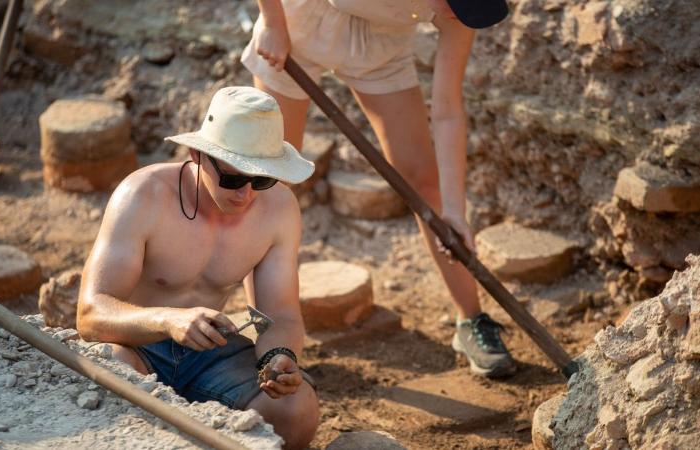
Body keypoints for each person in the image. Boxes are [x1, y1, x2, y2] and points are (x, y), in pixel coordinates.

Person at [242, 0, 516, 377]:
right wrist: (273, 21)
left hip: (380, 46)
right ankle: (267, 340)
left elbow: (449, 109)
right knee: (270, 182)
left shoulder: (464, 9)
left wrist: (453, 208)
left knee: (422, 180)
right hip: (299, 24)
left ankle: (472, 319)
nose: (460, 16)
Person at [76, 86, 319, 449]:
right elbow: (91, 314)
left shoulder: (279, 209)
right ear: (198, 155)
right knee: (111, 374)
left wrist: (277, 357)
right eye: (234, 179)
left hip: (210, 351)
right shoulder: (143, 195)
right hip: (137, 344)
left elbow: (279, 314)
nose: (246, 194)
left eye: (262, 179)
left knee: (297, 411)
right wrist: (167, 320)